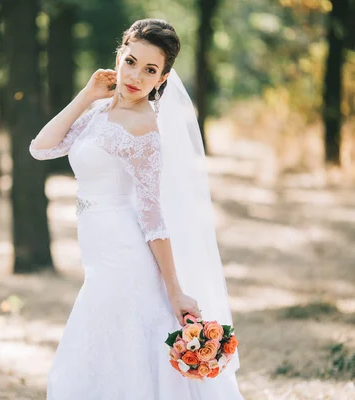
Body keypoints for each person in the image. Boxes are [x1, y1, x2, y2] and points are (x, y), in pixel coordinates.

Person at [29, 18, 243, 399]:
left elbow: (153, 216)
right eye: (131, 62)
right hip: (100, 254)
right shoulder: (99, 114)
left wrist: (175, 291)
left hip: (124, 256)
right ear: (118, 57)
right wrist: (87, 94)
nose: (136, 76)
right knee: (114, 351)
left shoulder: (144, 129)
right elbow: (41, 148)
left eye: (150, 70)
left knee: (101, 353)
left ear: (162, 79)